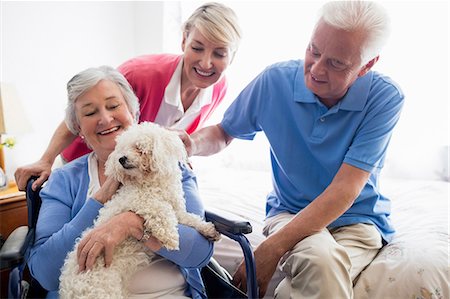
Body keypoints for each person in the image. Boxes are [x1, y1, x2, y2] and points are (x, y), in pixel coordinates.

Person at [178, 1, 404, 298]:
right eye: (314, 50)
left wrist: (269, 249)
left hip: (358, 221)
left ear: (366, 65)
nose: (317, 69)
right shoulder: (275, 81)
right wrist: (192, 143)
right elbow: (224, 132)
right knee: (320, 261)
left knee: (303, 280)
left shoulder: (384, 97)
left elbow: (345, 190)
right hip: (289, 211)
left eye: (336, 63)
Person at [27, 66, 214, 299]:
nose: (105, 118)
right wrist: (99, 199)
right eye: (89, 112)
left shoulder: (172, 169)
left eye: (114, 106)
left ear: (133, 113)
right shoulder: (64, 181)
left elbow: (199, 253)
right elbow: (45, 273)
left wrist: (131, 224)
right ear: (79, 129)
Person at [15, 2, 242, 191]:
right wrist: (46, 158)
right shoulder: (139, 73)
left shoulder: (218, 87)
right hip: (85, 162)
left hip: (130, 172)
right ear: (184, 41)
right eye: (197, 48)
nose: (205, 63)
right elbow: (83, 111)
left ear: (232, 56)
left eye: (219, 53)